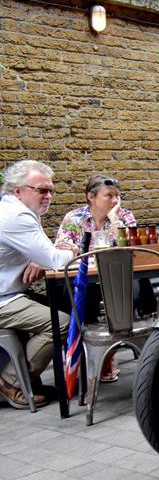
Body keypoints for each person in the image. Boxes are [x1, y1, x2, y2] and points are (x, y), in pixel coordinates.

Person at [0, 160, 77, 408]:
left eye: (51, 190)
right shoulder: (18, 216)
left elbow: (43, 255)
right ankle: (11, 382)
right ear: (18, 190)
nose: (48, 196)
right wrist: (72, 248)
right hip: (4, 299)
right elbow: (54, 259)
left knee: (64, 308)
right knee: (62, 323)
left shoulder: (16, 210)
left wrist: (44, 257)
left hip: (11, 293)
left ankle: (25, 378)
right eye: (41, 190)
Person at [54, 175, 137, 383]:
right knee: (80, 295)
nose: (115, 201)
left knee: (131, 290)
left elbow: (131, 251)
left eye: (118, 195)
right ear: (91, 197)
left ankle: (108, 353)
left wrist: (115, 219)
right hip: (84, 280)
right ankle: (92, 354)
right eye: (109, 195)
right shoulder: (74, 218)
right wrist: (72, 252)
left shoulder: (124, 216)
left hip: (115, 277)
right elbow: (62, 251)